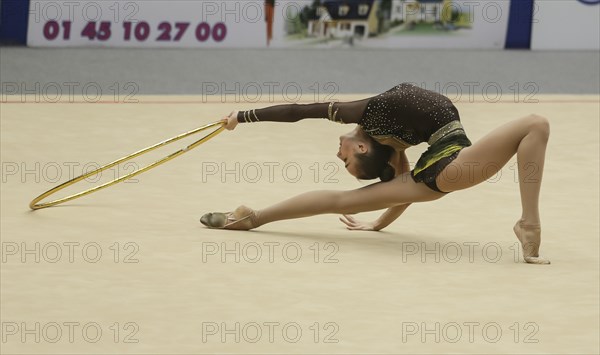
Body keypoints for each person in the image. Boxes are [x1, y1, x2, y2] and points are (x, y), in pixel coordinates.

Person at [200, 83, 551, 264]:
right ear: (364, 148)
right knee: (535, 125)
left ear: (363, 146)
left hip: (449, 167)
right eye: (345, 161)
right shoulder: (388, 135)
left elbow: (298, 110)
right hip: (452, 165)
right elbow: (394, 189)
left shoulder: (375, 122)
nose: (339, 155)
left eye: (344, 161)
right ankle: (529, 223)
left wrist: (242, 116)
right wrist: (380, 223)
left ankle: (254, 219)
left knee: (344, 200)